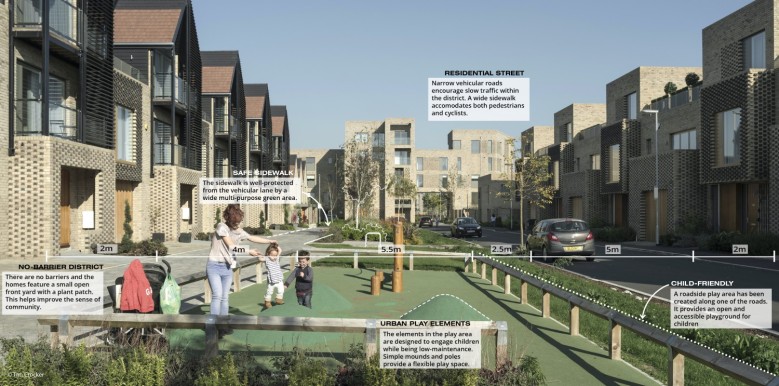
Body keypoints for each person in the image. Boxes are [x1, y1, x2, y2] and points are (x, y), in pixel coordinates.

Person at [207, 204, 275, 336]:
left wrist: (269, 241)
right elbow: (232, 246)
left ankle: (223, 326)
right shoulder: (222, 227)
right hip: (214, 265)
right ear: (230, 219)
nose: (238, 224)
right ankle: (212, 327)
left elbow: (251, 237)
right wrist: (249, 251)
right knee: (217, 296)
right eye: (236, 221)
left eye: (239, 221)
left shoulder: (238, 230)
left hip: (227, 267)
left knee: (225, 297)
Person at [258, 242, 285, 310]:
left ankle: (279, 299)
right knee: (269, 291)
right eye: (272, 255)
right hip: (271, 281)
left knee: (281, 290)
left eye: (275, 255)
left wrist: (275, 244)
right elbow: (260, 259)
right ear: (268, 254)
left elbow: (280, 250)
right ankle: (267, 302)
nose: (274, 257)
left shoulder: (277, 258)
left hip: (279, 279)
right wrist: (259, 255)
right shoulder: (267, 259)